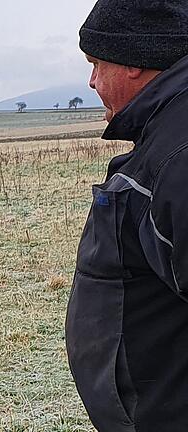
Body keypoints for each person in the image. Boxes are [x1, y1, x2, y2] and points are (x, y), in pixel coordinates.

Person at [65, 1, 188, 431]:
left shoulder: (178, 158)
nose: (92, 81)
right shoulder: (167, 137)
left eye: (97, 63)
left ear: (135, 60)